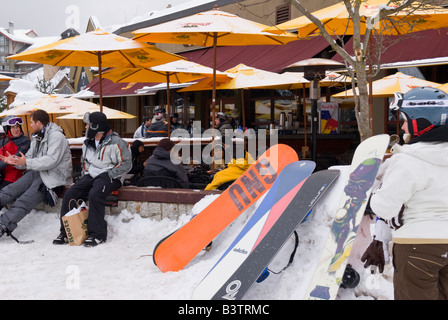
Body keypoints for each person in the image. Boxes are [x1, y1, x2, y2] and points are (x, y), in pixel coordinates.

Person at [361, 87, 448, 300]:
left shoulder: (407, 161)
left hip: (418, 248)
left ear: (422, 120)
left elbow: (385, 207)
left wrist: (373, 194)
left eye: (405, 119)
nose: (402, 125)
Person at [54, 111, 132, 247]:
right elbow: (85, 162)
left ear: (96, 127)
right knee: (71, 193)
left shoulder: (117, 143)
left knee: (95, 194)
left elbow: (126, 164)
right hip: (92, 175)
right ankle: (66, 231)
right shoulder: (87, 143)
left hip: (110, 175)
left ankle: (98, 235)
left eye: (88, 125)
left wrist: (111, 174)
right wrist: (86, 173)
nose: (85, 128)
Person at [0, 109, 72, 240]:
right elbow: (28, 158)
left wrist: (26, 161)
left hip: (52, 178)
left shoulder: (56, 137)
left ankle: (3, 224)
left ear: (39, 123)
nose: (31, 125)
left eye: (32, 122)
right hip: (37, 172)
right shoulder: (37, 136)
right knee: (10, 190)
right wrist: (15, 161)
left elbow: (51, 160)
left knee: (25, 200)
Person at [0, 116, 30, 189]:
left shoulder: (25, 141)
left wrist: (6, 162)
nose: (16, 130)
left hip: (16, 176)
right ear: (7, 129)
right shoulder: (3, 141)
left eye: (17, 127)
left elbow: (15, 158)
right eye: (13, 127)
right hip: (3, 175)